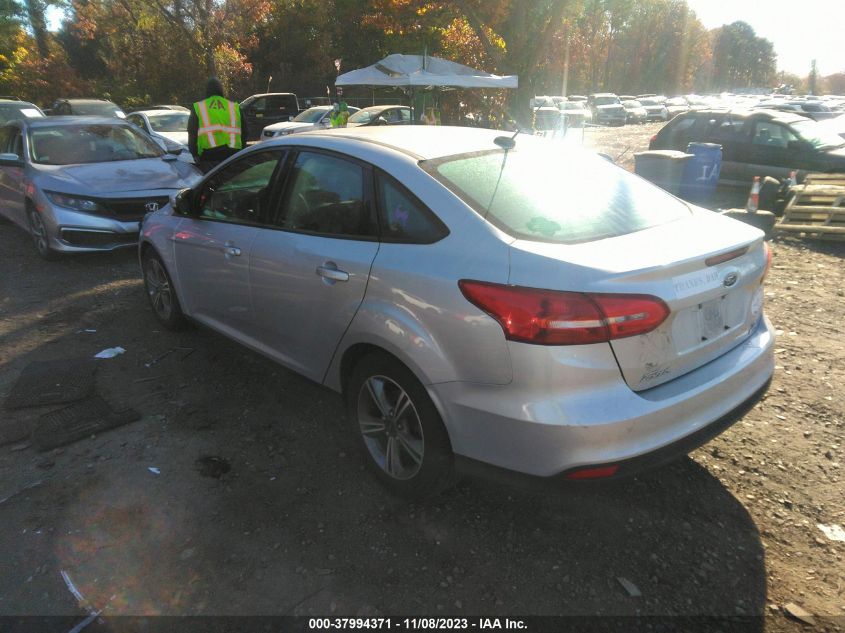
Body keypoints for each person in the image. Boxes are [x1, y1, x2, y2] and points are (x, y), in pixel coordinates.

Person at [188, 77, 248, 173]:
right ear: (221, 90)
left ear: (206, 90)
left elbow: (192, 133)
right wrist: (241, 152)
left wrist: (195, 154)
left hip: (208, 158)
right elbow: (245, 132)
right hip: (233, 157)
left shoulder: (198, 107)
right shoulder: (234, 107)